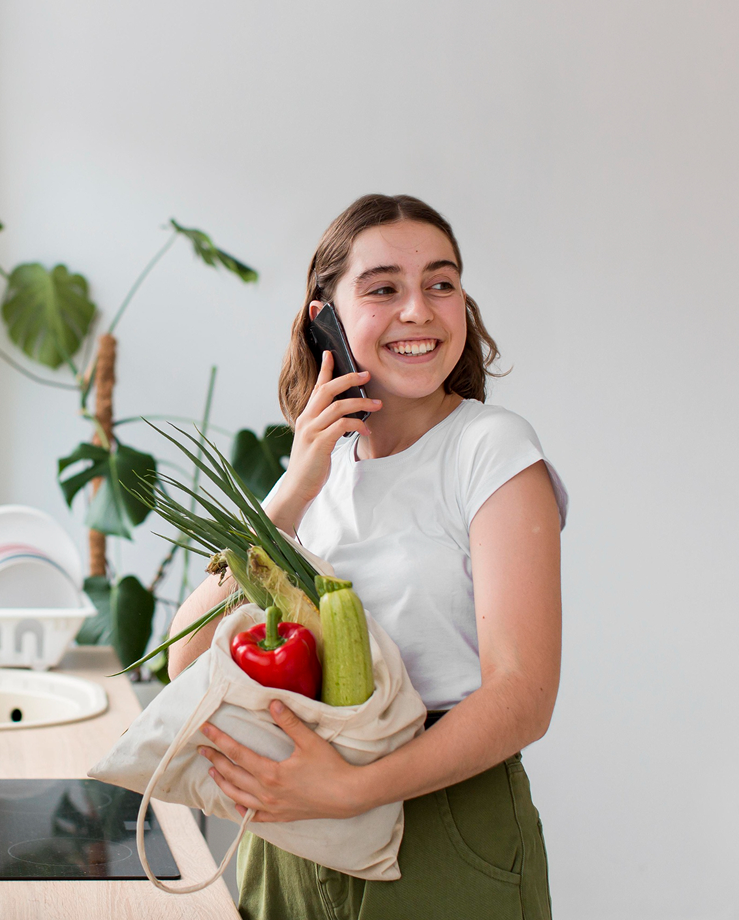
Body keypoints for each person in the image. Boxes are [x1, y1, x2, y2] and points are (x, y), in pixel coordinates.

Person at [167, 194, 568, 919]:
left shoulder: (492, 449)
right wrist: (291, 491)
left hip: (439, 828)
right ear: (326, 320)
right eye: (383, 288)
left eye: (441, 284)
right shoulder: (318, 471)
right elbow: (185, 663)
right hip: (290, 835)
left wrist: (352, 788)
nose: (419, 309)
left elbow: (523, 696)